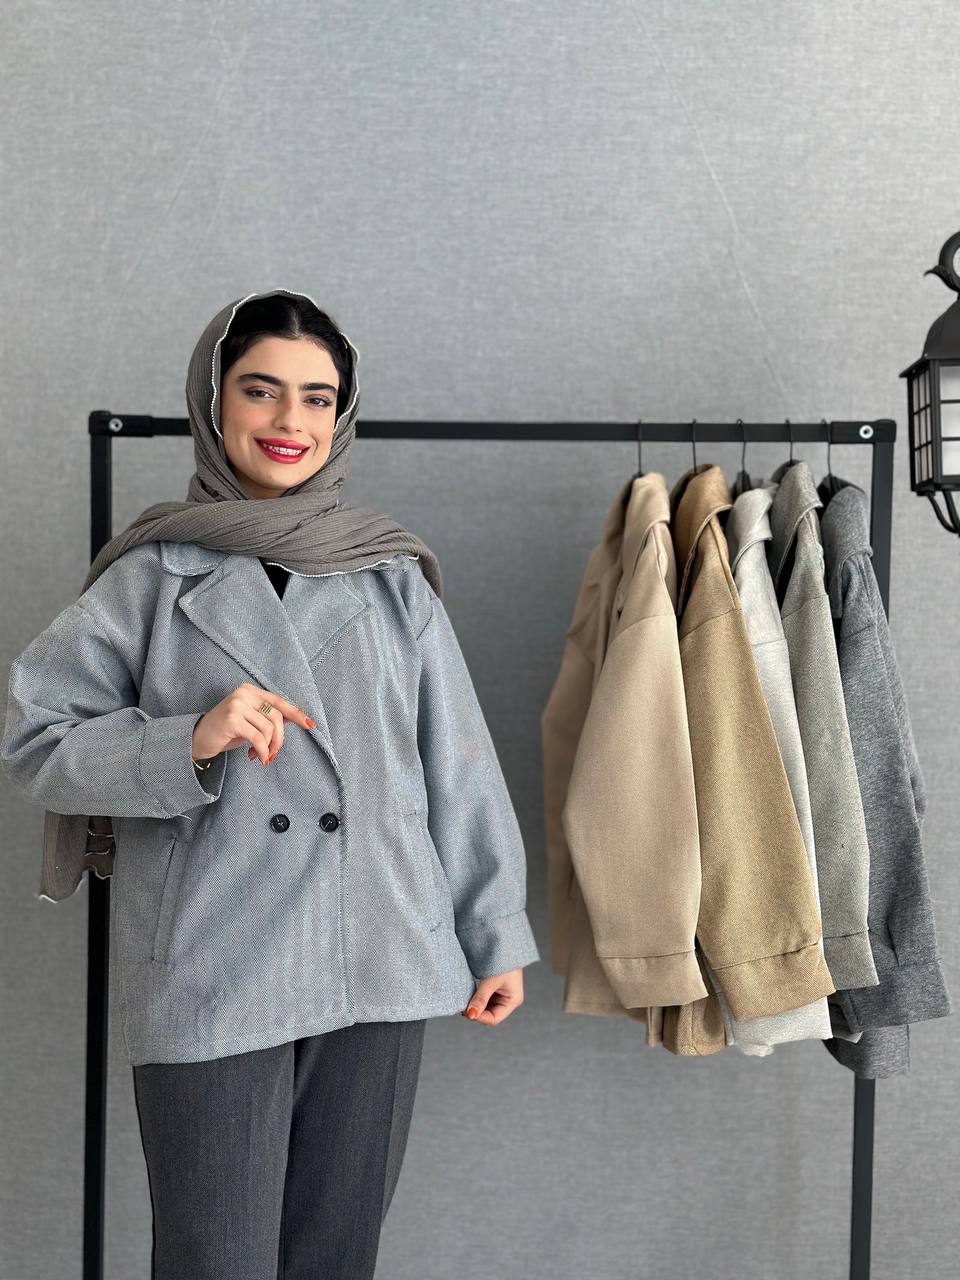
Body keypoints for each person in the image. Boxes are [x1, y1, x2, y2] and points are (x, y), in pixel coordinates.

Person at [1, 288, 540, 1278]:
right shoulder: (151, 574)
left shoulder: (389, 575)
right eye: (261, 390)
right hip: (215, 954)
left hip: (380, 947)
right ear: (214, 399)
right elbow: (36, 739)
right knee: (215, 1258)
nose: (291, 420)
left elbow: (457, 762)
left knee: (336, 1256)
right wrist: (188, 740)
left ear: (342, 414)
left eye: (316, 397)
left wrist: (493, 929)